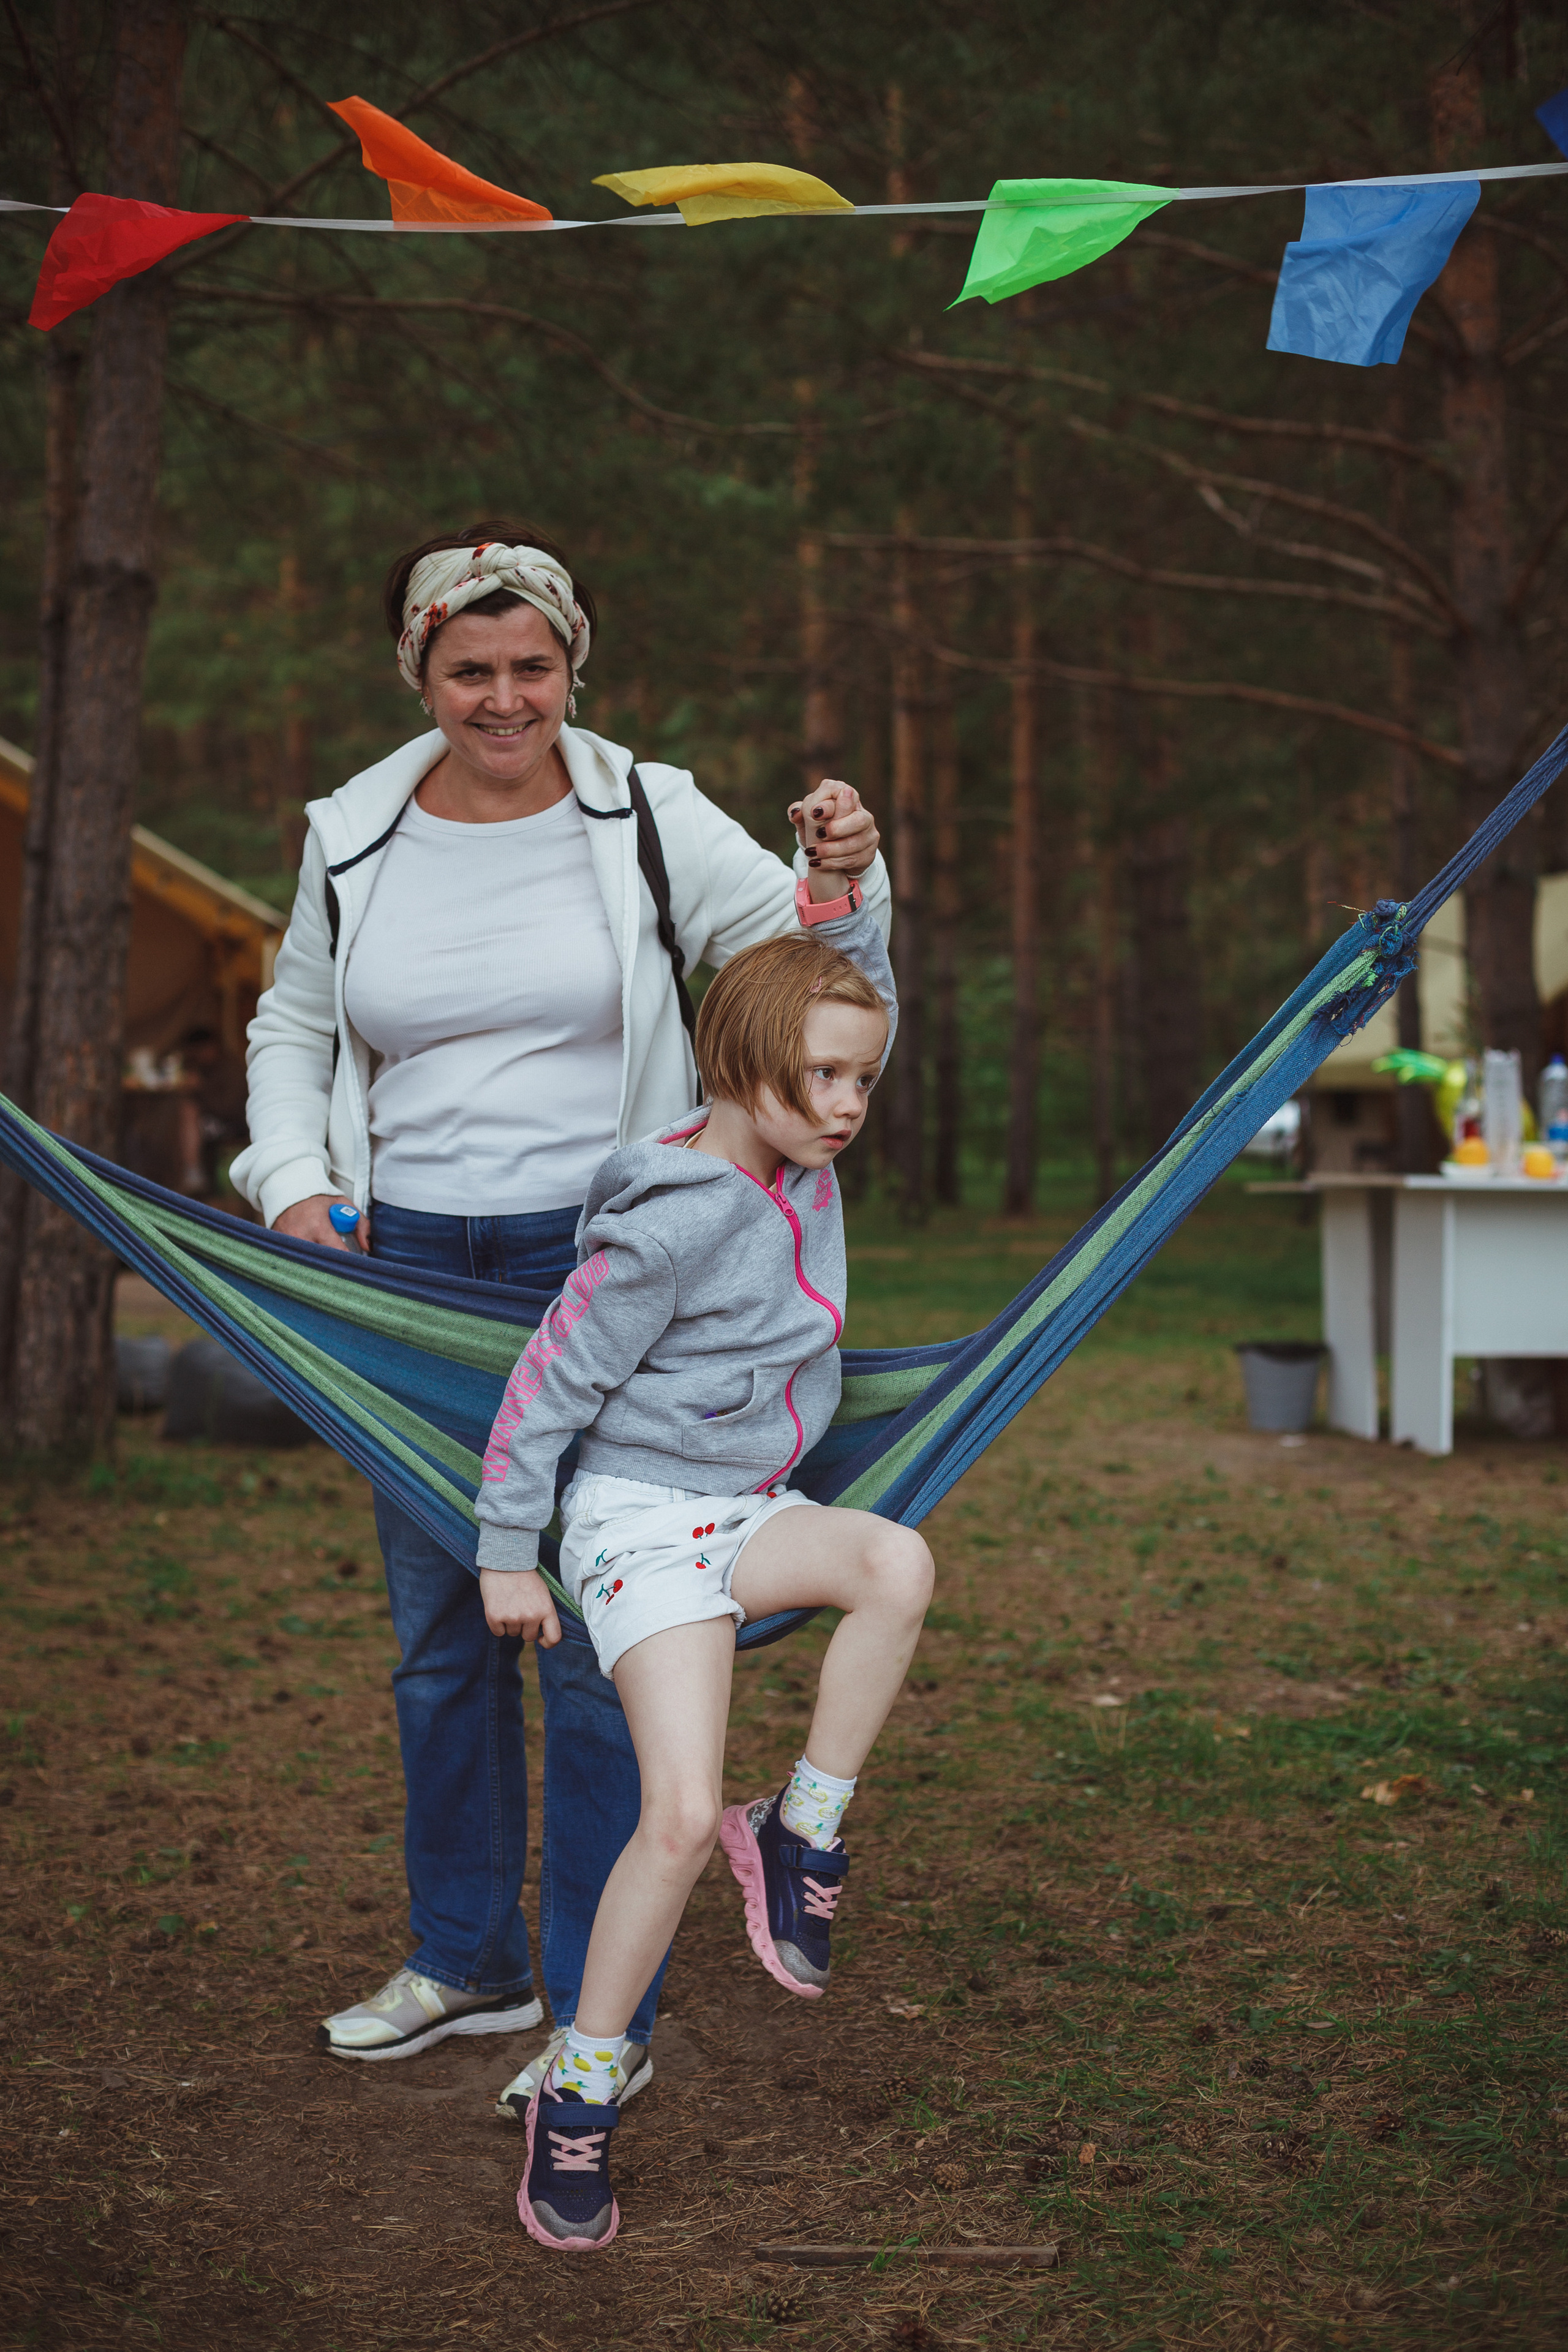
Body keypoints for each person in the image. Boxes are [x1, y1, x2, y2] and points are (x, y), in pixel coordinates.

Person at [228, 522, 888, 2105]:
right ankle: (465, 1958)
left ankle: (610, 2008)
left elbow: (803, 958)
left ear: (571, 667)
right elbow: (293, 1020)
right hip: (403, 1272)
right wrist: (293, 1183)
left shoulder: (645, 809)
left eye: (533, 668)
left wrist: (847, 874)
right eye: (471, 669)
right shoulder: (355, 829)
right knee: (443, 1632)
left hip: (608, 1272)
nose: (504, 698)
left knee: (600, 1637)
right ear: (420, 672)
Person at [473, 897, 933, 2251]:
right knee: (670, 1823)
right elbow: (546, 1384)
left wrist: (845, 899)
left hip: (751, 1506)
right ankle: (583, 2088)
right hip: (633, 1527)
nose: (847, 1106)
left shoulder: (797, 1140)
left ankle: (799, 1827)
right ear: (741, 1070)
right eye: (824, 1079)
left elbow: (848, 994)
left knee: (894, 1562)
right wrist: (511, 1550)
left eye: (864, 1077)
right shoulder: (672, 1222)